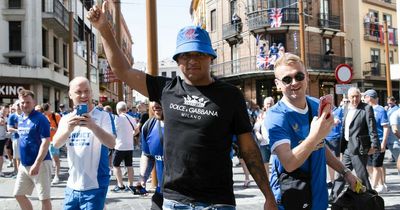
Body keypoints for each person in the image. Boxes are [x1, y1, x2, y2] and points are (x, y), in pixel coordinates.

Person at [87, 3, 277, 209]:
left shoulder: (230, 95)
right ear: (177, 60)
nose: (192, 60)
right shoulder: (166, 89)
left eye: (199, 54)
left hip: (218, 203)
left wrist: (268, 196)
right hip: (175, 202)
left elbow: (249, 149)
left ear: (210, 57)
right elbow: (122, 71)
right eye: (185, 55)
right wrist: (104, 29)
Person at [265, 53, 358, 210]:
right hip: (291, 198)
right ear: (278, 84)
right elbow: (289, 163)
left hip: (319, 197)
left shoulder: (316, 105)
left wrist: (345, 172)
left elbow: (321, 146)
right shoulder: (276, 115)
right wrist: (315, 135)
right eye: (287, 79)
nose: (294, 82)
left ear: (306, 77)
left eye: (299, 76)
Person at [52, 77, 116, 210]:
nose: (84, 95)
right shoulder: (66, 119)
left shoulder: (103, 116)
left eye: (87, 91)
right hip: (72, 185)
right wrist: (68, 130)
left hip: (95, 184)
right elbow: (56, 144)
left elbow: (112, 143)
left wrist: (93, 126)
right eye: (78, 92)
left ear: (92, 93)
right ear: (70, 95)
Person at [13, 89, 52, 210]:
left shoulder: (41, 119)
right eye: (22, 102)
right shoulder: (21, 118)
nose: (24, 105)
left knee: (44, 199)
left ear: (34, 102)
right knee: (18, 194)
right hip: (24, 165)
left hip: (41, 163)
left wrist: (37, 163)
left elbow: (46, 142)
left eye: (27, 102)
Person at [340, 87, 380, 191]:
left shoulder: (366, 108)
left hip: (359, 147)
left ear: (360, 97)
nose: (355, 99)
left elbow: (372, 127)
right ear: (348, 97)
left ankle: (370, 198)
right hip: (347, 147)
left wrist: (374, 145)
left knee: (362, 175)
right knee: (340, 173)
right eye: (352, 97)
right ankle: (334, 197)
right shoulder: (345, 108)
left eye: (357, 96)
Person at [137, 101, 165, 210]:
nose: (155, 105)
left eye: (159, 99)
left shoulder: (187, 124)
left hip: (186, 197)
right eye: (152, 100)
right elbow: (147, 155)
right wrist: (142, 177)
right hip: (161, 193)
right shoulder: (149, 126)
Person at [363, 89, 389, 193]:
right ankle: (379, 184)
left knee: (376, 165)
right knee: (369, 165)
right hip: (368, 142)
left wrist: (383, 143)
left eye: (365, 96)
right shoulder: (365, 109)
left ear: (369, 97)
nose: (364, 98)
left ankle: (372, 188)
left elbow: (386, 127)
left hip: (379, 141)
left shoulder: (380, 110)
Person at [111, 101, 137, 193]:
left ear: (117, 110)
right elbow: (137, 129)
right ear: (126, 109)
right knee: (129, 165)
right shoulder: (131, 118)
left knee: (115, 165)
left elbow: (112, 131)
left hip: (119, 146)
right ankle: (130, 185)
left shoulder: (116, 118)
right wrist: (131, 135)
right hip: (129, 146)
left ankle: (120, 185)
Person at [254, 97, 275, 176]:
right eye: (267, 103)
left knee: (275, 163)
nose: (269, 105)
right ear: (264, 105)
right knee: (265, 163)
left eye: (270, 103)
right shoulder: (261, 116)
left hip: (275, 142)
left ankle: (275, 180)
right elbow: (256, 128)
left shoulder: (278, 114)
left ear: (273, 104)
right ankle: (267, 182)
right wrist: (258, 134)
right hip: (264, 143)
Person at [42, 103, 62, 185]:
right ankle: (48, 177)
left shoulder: (56, 116)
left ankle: (56, 176)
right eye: (45, 111)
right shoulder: (42, 117)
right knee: (46, 160)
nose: (46, 112)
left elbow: (62, 128)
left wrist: (53, 129)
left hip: (54, 141)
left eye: (47, 110)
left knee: (55, 159)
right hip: (44, 141)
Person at [325, 104, 344, 188]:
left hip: (335, 137)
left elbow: (337, 121)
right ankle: (332, 180)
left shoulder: (338, 110)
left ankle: (337, 180)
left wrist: (331, 122)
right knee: (328, 160)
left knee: (336, 159)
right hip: (326, 137)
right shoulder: (324, 112)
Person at [7, 101, 22, 176]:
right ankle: (18, 173)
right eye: (17, 105)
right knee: (17, 157)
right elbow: (9, 128)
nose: (19, 106)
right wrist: (17, 130)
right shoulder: (12, 116)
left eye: (20, 105)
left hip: (26, 139)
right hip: (16, 138)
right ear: (15, 107)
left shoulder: (25, 115)